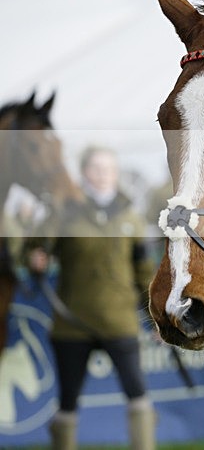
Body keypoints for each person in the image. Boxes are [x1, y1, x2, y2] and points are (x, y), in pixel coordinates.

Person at [28, 146, 156, 450]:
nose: (102, 175)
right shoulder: (64, 212)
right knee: (67, 402)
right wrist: (35, 257)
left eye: (108, 169)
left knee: (138, 396)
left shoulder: (131, 217)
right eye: (96, 169)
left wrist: (156, 320)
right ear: (84, 172)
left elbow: (144, 274)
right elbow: (36, 248)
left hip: (119, 322)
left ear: (116, 173)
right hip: (72, 324)